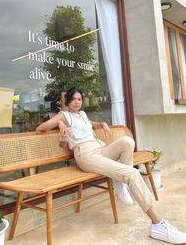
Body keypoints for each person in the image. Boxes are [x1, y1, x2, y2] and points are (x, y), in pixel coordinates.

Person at [36, 87, 186, 244]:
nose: (77, 102)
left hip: (99, 148)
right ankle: (158, 223)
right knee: (132, 173)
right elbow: (41, 128)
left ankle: (119, 182)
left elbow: (90, 123)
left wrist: (101, 123)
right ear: (68, 101)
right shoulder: (64, 115)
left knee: (128, 142)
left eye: (79, 99)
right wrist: (60, 123)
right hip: (86, 155)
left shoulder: (82, 114)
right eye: (73, 99)